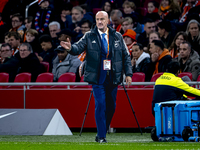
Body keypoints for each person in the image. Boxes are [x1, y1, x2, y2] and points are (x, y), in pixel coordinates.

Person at [60, 11, 132, 143]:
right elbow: (78, 48)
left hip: (113, 76)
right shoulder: (89, 35)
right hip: (97, 77)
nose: (99, 22)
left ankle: (102, 131)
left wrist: (128, 74)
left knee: (111, 107)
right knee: (100, 104)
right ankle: (101, 136)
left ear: (107, 21)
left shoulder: (117, 36)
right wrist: (70, 48)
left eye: (102, 19)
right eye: (97, 19)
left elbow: (126, 56)